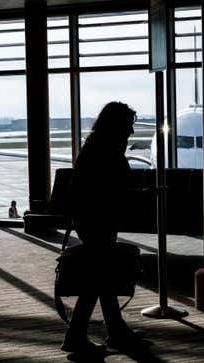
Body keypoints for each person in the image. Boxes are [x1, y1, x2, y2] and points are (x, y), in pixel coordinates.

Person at [63, 102, 150, 360]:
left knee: (101, 276)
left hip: (92, 220)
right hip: (99, 221)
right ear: (118, 125)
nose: (132, 132)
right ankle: (77, 336)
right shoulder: (106, 150)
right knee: (98, 278)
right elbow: (109, 188)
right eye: (129, 125)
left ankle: (114, 329)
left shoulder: (96, 146)